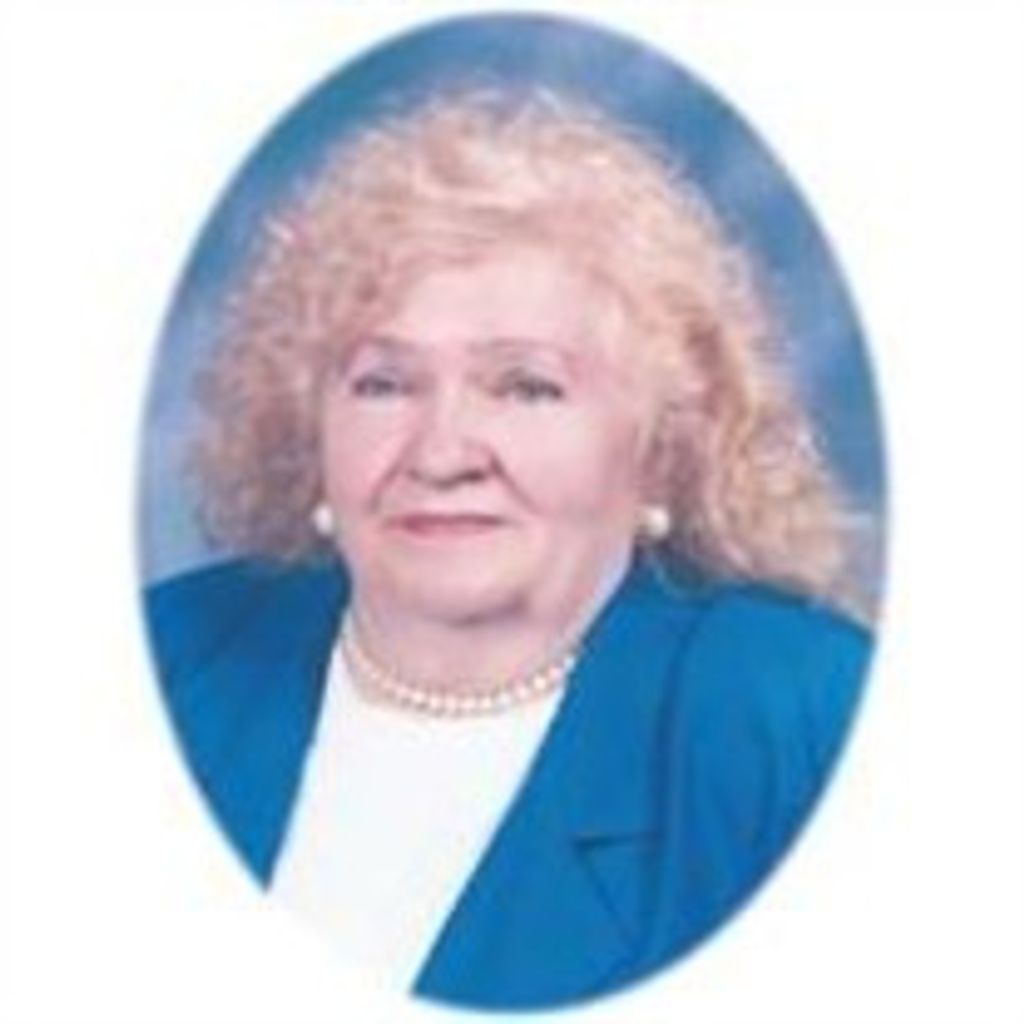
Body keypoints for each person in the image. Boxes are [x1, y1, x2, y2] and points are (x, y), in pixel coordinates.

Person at [144, 88, 872, 1010]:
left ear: (661, 450)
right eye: (383, 383)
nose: (441, 452)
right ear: (308, 427)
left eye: (525, 387)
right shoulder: (170, 654)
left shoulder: (796, 713)